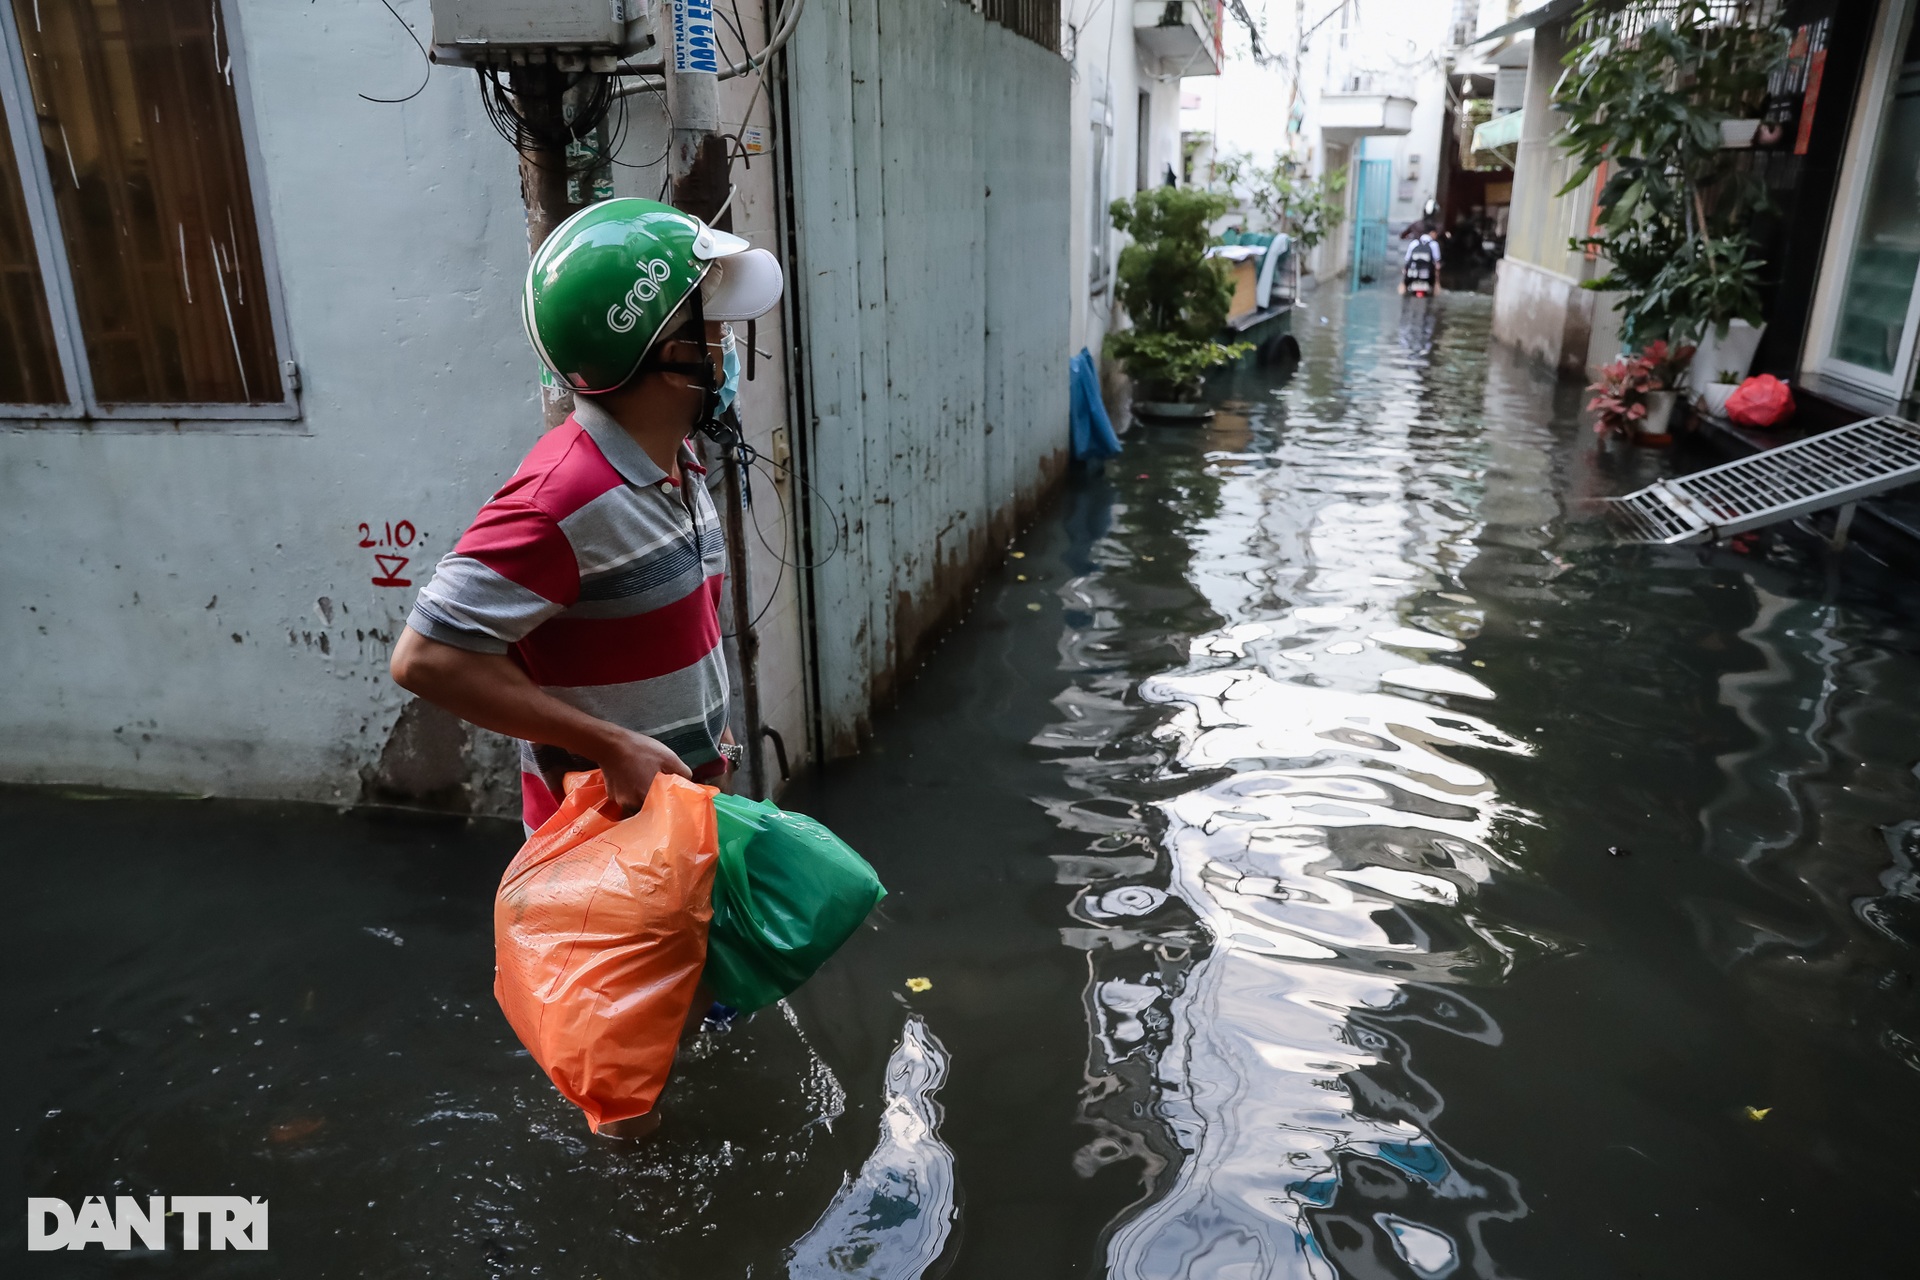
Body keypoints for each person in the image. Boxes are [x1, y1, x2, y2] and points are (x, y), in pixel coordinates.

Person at [390, 197, 783, 831]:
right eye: (711, 325)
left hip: (681, 842)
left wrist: (717, 746)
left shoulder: (679, 461)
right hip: (601, 872)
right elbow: (426, 658)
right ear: (656, 347)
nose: (726, 344)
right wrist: (610, 745)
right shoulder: (564, 497)